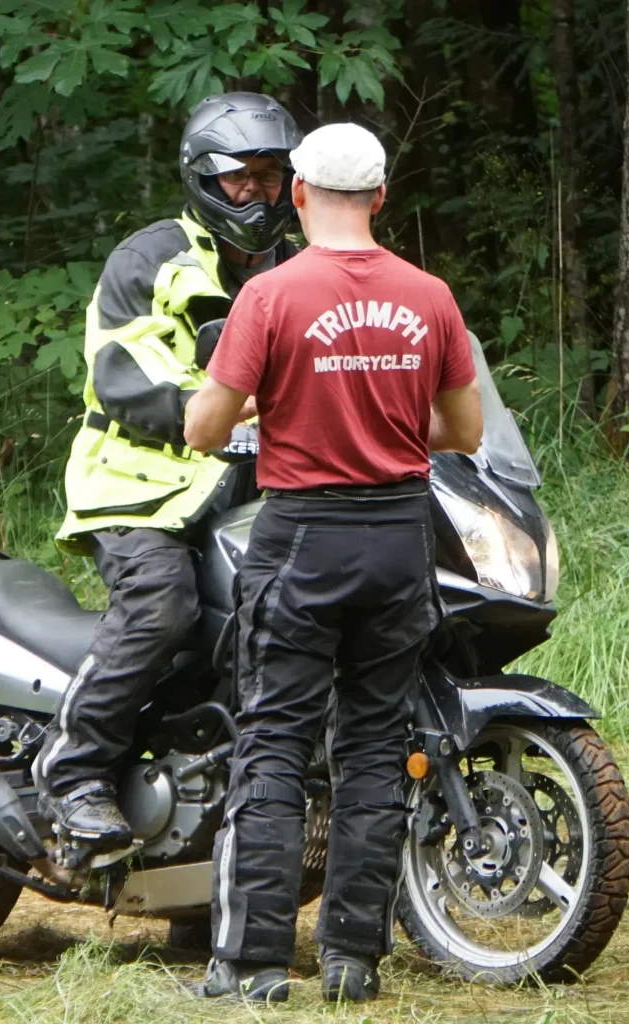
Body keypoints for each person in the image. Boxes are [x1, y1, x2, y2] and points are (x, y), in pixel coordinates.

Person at [184, 122, 483, 1004]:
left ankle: (252, 965)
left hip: (301, 537)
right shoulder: (428, 295)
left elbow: (205, 426)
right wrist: (387, 425)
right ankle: (353, 962)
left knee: (273, 742)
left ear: (300, 193)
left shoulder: (272, 295)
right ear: (381, 197)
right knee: (372, 747)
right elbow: (461, 432)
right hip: (399, 538)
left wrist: (275, 416)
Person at [36, 93, 304, 848]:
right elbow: (124, 370)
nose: (256, 192)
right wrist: (220, 413)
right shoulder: (151, 258)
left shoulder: (298, 268)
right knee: (162, 606)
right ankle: (74, 769)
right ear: (201, 178)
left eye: (271, 176)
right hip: (141, 488)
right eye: (239, 177)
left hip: (257, 494)